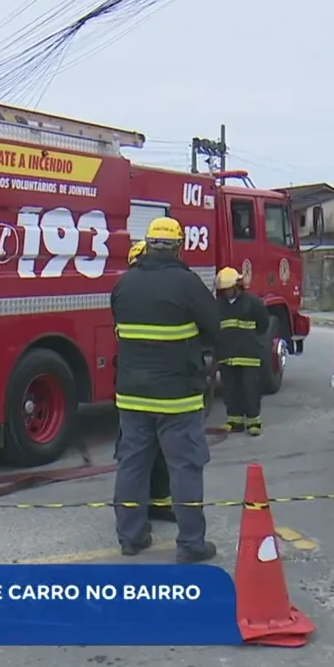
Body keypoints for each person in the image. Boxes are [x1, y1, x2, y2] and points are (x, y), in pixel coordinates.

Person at [111, 218, 221, 562]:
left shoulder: (124, 284)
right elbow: (214, 327)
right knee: (185, 467)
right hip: (177, 397)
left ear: (147, 245)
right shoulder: (187, 283)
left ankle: (130, 538)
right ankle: (190, 544)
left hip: (131, 395)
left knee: (132, 465)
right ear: (178, 247)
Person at [125, 239, 176, 523]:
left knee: (138, 458)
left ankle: (142, 514)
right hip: (163, 389)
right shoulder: (161, 288)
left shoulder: (124, 289)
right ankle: (149, 509)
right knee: (153, 455)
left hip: (133, 391)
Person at [213, 266, 270, 436]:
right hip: (227, 355)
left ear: (238, 286)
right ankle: (234, 421)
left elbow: (263, 324)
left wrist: (252, 340)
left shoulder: (253, 303)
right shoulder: (217, 305)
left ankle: (254, 422)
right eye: (224, 290)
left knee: (250, 388)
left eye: (229, 289)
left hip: (249, 355)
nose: (227, 292)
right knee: (230, 389)